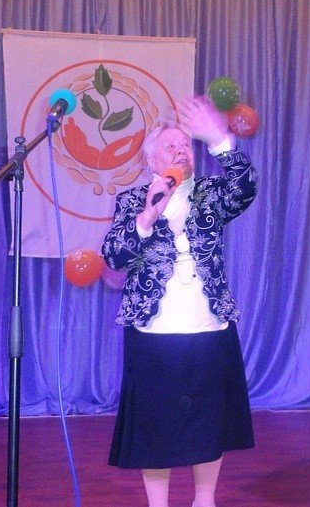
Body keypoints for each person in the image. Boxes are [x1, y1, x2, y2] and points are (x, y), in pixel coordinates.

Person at [101, 97, 257, 507]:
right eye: (170, 146)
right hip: (154, 330)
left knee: (209, 421)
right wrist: (146, 218)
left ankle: (204, 499)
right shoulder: (133, 200)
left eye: (186, 144)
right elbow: (115, 256)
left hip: (209, 325)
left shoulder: (210, 193)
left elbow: (245, 188)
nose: (181, 150)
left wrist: (219, 139)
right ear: (151, 160)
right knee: (155, 424)